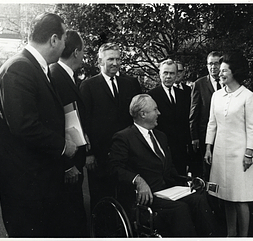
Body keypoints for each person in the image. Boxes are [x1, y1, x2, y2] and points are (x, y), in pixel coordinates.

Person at [0, 13, 77, 237]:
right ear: (54, 39)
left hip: (36, 183)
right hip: (24, 186)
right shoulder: (19, 68)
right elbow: (24, 126)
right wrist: (63, 146)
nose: (66, 44)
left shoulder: (34, 67)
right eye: (65, 38)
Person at [110, 94, 217, 237]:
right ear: (143, 114)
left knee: (199, 198)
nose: (159, 113)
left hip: (168, 191)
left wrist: (187, 181)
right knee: (180, 209)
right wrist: (137, 180)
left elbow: (169, 168)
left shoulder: (161, 136)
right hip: (146, 197)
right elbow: (115, 168)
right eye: (155, 109)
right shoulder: (124, 138)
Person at [79, 42, 141, 210]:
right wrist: (88, 153)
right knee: (101, 201)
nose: (115, 63)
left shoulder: (131, 84)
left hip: (126, 154)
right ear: (100, 61)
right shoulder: (88, 86)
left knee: (126, 198)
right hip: (99, 156)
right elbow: (83, 122)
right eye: (110, 59)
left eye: (118, 59)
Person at [204, 52, 253, 237]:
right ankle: (230, 234)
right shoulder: (217, 96)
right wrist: (208, 147)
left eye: (224, 70)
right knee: (226, 196)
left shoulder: (248, 96)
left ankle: (243, 237)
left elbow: (252, 128)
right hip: (220, 153)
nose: (220, 74)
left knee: (241, 198)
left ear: (234, 72)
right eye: (219, 71)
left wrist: (249, 153)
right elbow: (212, 123)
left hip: (240, 155)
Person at [49, 30, 89, 237]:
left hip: (73, 158)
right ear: (75, 52)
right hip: (67, 163)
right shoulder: (56, 76)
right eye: (82, 51)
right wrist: (67, 165)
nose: (83, 55)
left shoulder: (64, 75)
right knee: (69, 222)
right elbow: (55, 123)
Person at [148, 59, 191, 175]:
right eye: (165, 73)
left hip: (181, 148)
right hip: (162, 147)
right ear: (159, 74)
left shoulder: (184, 95)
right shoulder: (152, 95)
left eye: (172, 73)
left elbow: (186, 121)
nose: (168, 76)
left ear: (177, 75)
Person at [190, 51, 222, 181]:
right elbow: (194, 112)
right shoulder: (199, 84)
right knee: (208, 169)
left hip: (224, 134)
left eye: (216, 63)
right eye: (210, 64)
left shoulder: (228, 83)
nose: (213, 67)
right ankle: (209, 198)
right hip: (205, 134)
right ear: (207, 65)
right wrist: (194, 136)